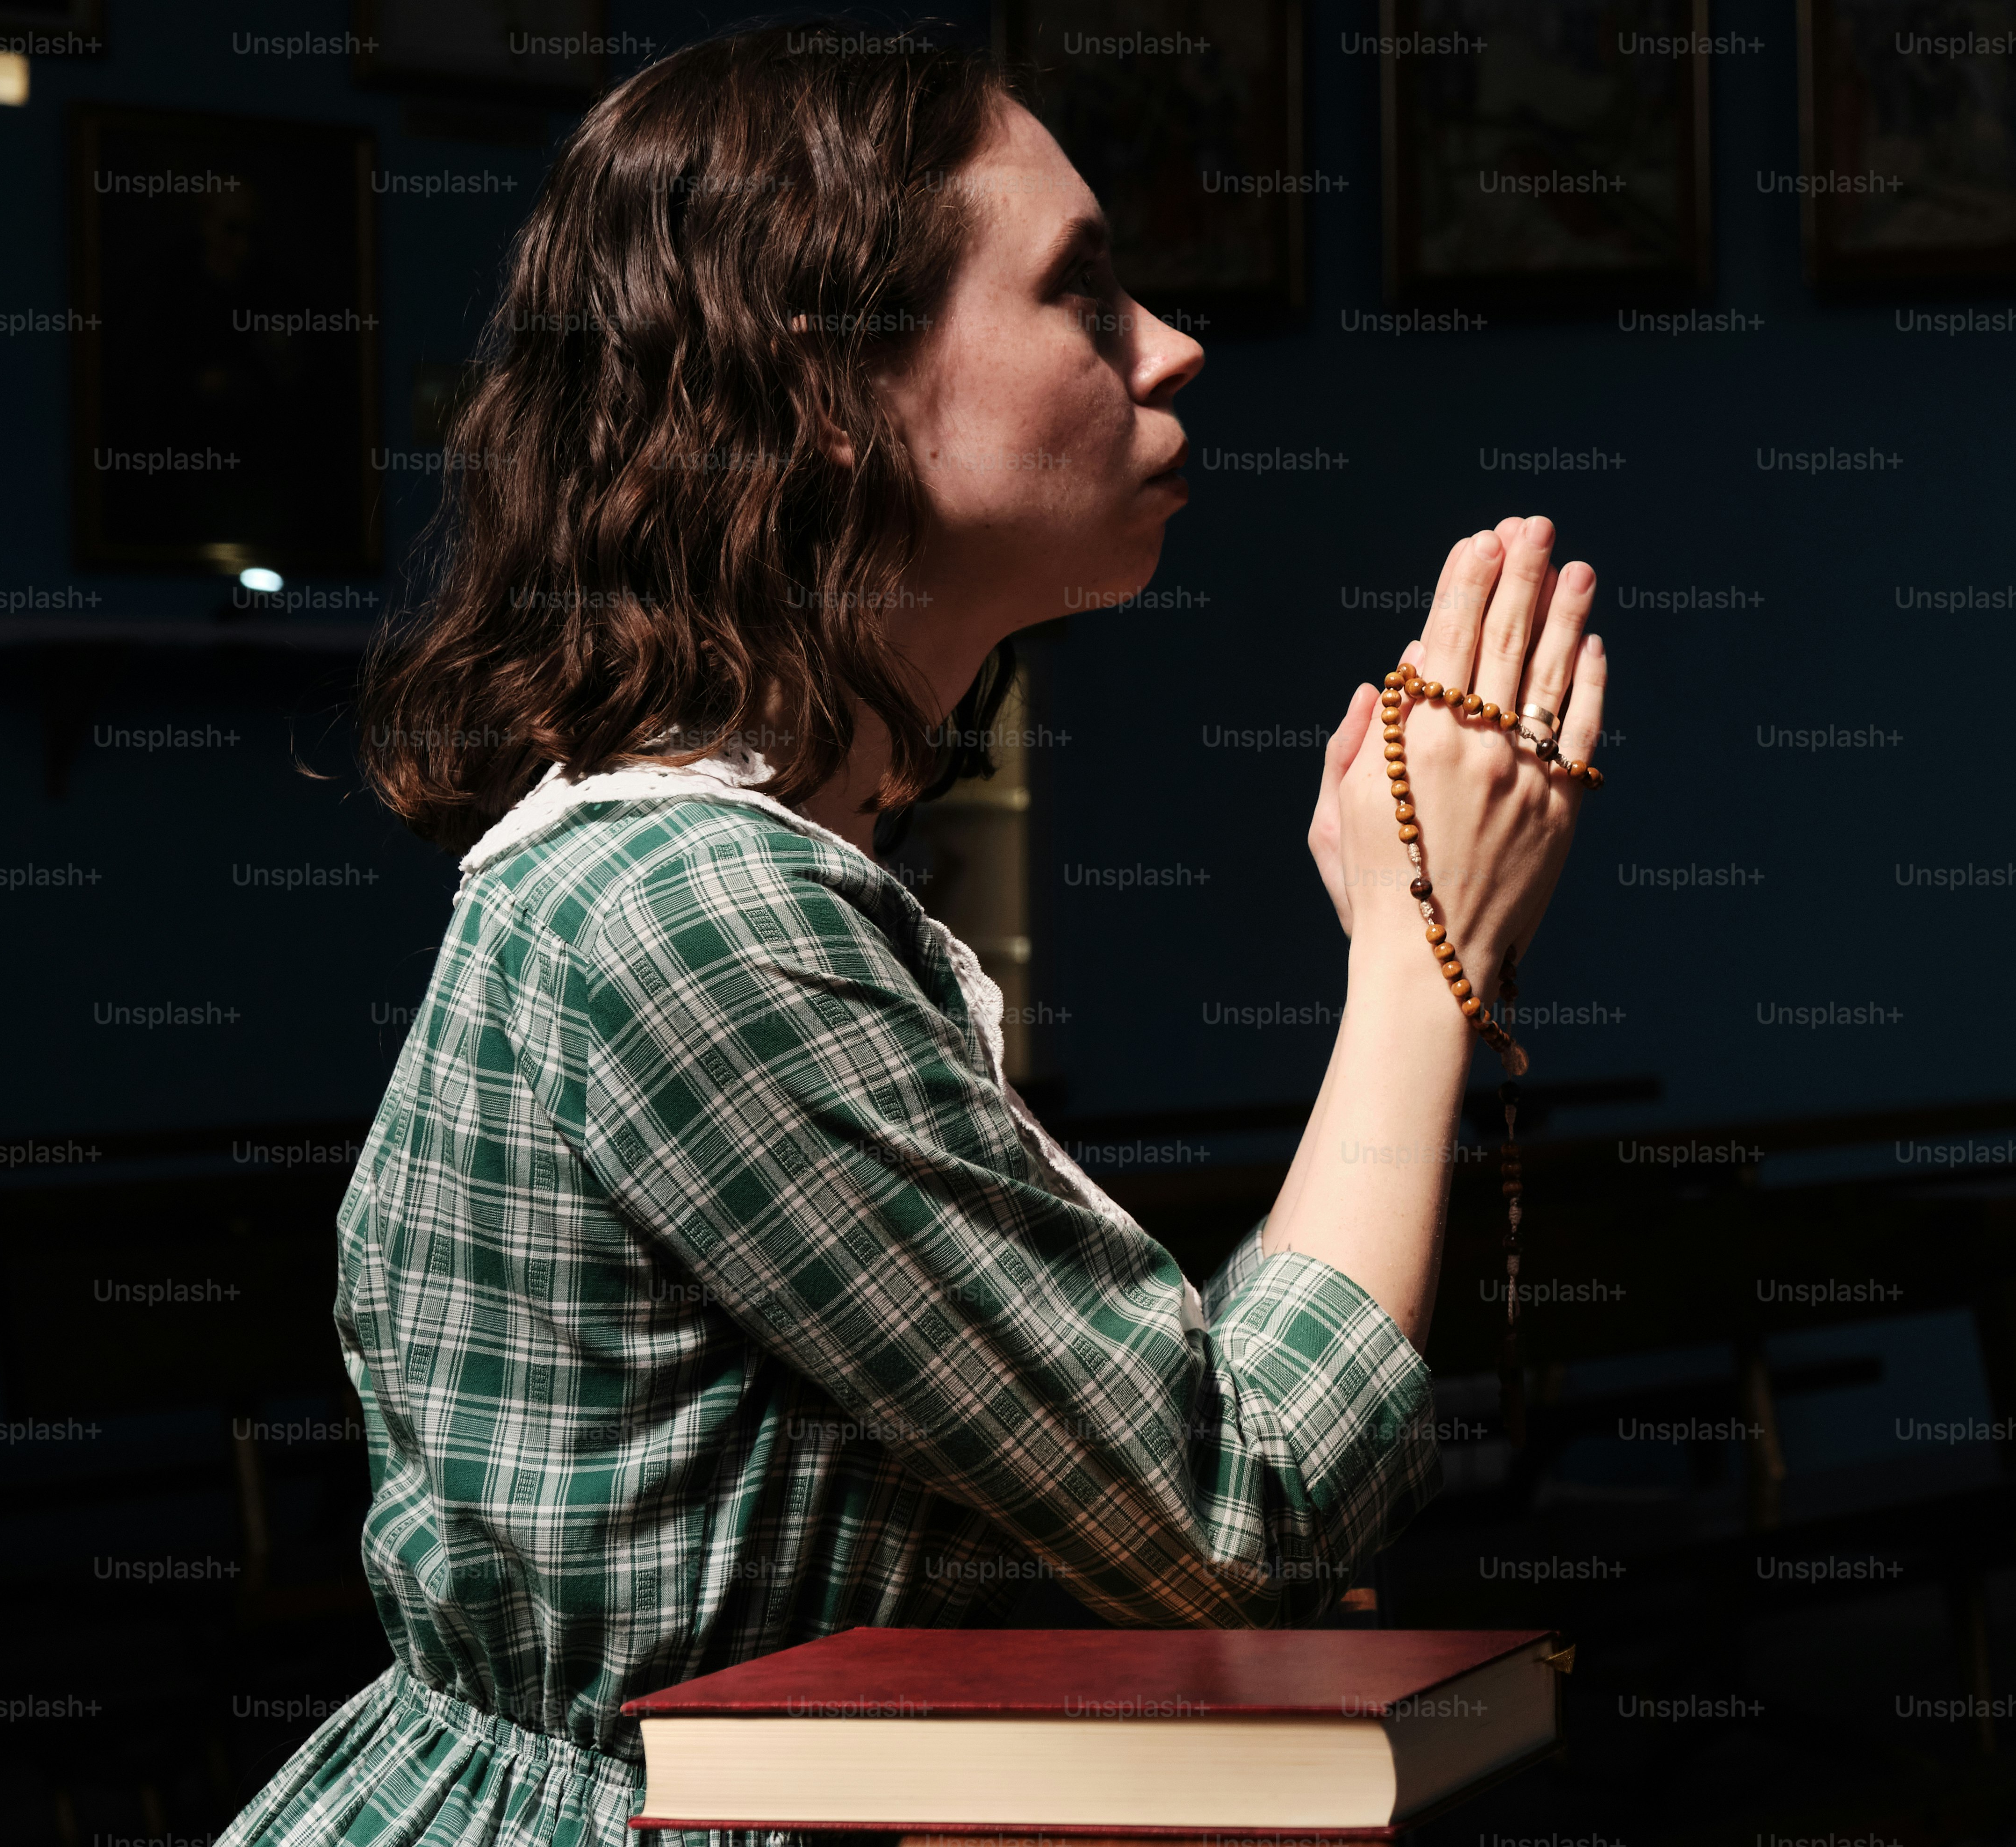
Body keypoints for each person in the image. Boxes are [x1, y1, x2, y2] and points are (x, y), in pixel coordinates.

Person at [216, 20, 1609, 1847]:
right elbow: (1233, 1514)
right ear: (831, 390)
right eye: (1081, 290)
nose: (1175, 344)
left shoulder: (716, 869)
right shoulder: (701, 915)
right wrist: (1419, 957)